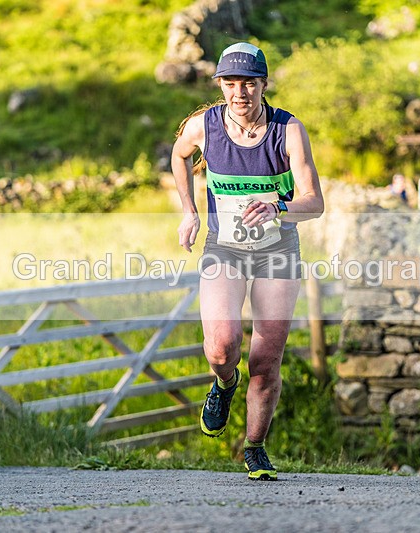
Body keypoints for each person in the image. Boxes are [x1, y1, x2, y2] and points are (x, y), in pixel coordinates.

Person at [171, 42, 324, 481]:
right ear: (220, 85)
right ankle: (223, 383)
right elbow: (179, 155)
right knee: (222, 347)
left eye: (249, 83)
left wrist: (278, 205)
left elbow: (314, 203)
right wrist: (189, 211)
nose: (240, 92)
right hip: (225, 249)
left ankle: (255, 448)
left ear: (263, 84)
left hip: (277, 252)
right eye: (231, 83)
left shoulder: (288, 129)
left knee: (265, 359)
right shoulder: (205, 126)